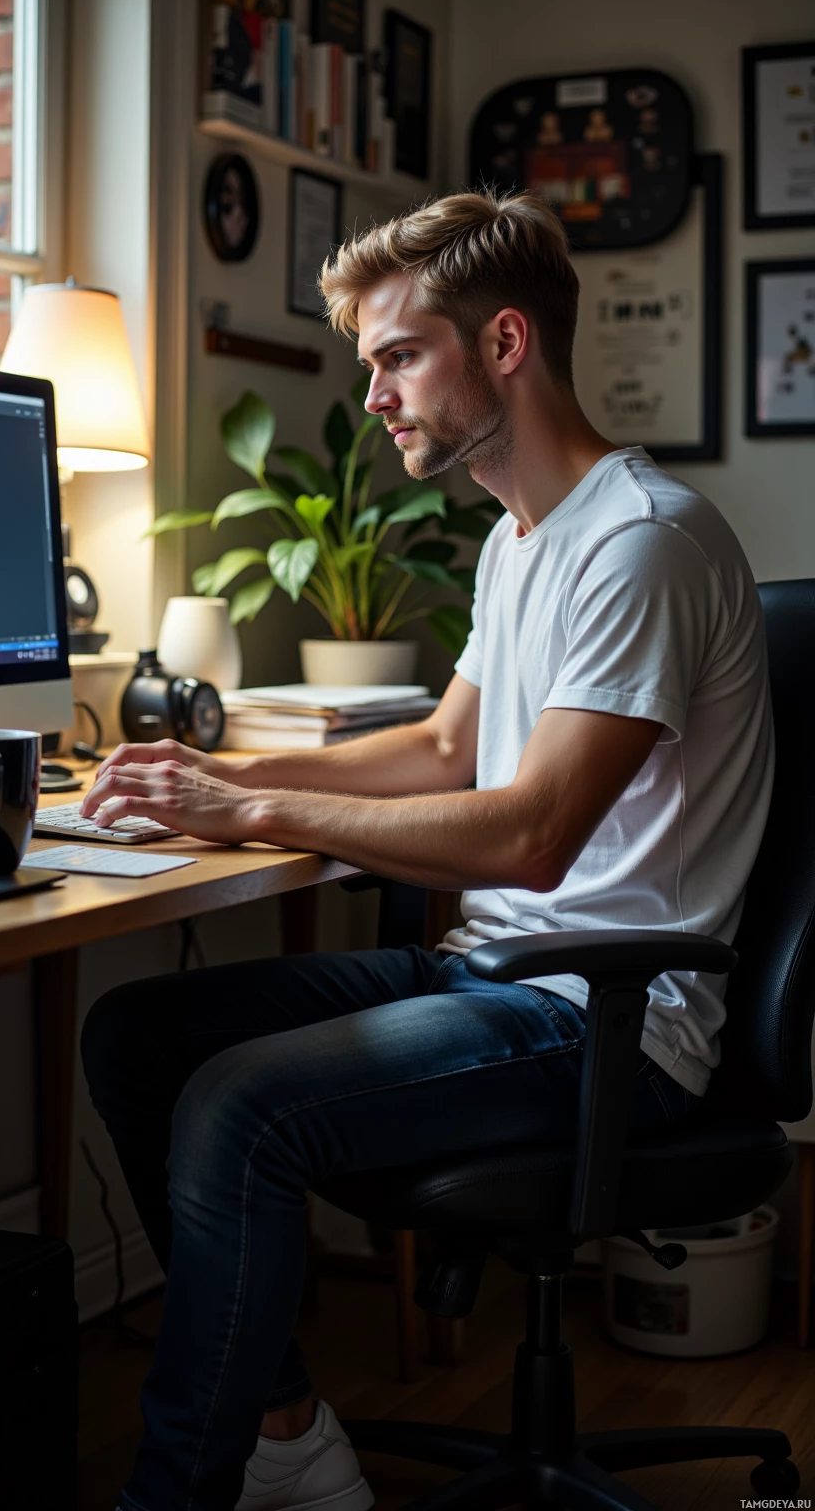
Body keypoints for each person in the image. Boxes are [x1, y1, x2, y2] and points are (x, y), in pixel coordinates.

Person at [79, 189, 773, 1511]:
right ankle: (284, 1436)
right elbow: (446, 753)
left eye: (400, 356)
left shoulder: (641, 544)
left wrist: (256, 813)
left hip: (608, 1017)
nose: (380, 391)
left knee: (238, 1109)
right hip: (500, 979)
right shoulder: (523, 544)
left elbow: (527, 833)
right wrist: (220, 775)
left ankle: (175, 1493)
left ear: (503, 344)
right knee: (139, 1040)